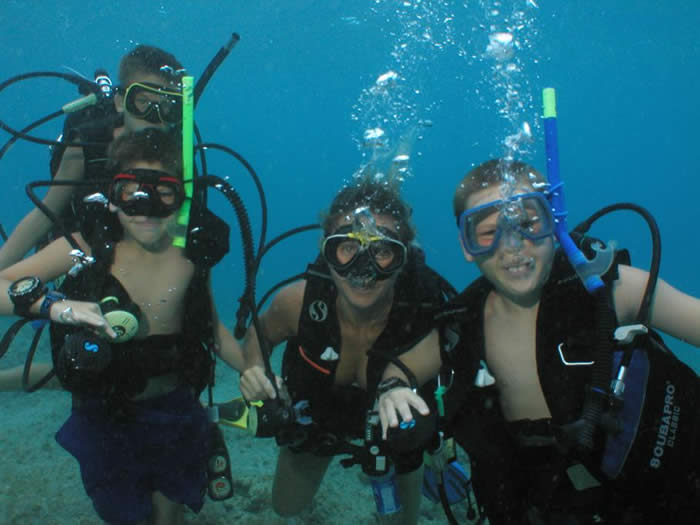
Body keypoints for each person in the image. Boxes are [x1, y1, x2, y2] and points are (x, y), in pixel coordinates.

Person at [0, 128, 262, 524]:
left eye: (163, 191)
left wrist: (253, 371)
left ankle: (206, 436)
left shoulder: (191, 253)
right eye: (129, 190)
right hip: (104, 414)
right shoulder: (87, 246)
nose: (144, 205)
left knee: (168, 513)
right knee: (125, 515)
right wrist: (56, 306)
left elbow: (211, 326)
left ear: (182, 196)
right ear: (111, 195)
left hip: (174, 408)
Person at [440, 159, 700, 523]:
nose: (514, 247)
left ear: (555, 222)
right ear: (467, 246)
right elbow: (401, 366)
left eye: (529, 224)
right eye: (487, 232)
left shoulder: (614, 289)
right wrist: (393, 387)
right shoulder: (460, 327)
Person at [238, 176, 451, 523]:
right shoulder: (297, 302)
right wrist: (257, 372)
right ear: (327, 250)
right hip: (319, 418)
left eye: (382, 251)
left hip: (393, 431)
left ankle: (413, 468)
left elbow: (446, 352)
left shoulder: (423, 312)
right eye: (347, 248)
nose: (362, 270)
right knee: (286, 505)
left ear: (403, 257)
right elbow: (257, 337)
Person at [0, 44, 185, 270]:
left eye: (167, 106)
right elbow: (46, 212)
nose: (154, 118)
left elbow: (181, 233)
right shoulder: (87, 145)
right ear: (120, 102)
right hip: (83, 243)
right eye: (143, 102)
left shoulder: (178, 156)